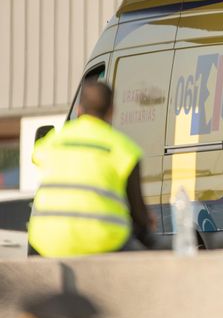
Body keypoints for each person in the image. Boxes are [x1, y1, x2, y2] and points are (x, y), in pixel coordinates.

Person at [28, 81, 154, 257]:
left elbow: (37, 157)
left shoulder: (51, 142)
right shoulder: (125, 150)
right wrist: (147, 223)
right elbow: (138, 214)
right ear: (112, 111)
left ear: (79, 109)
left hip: (48, 242)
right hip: (103, 242)